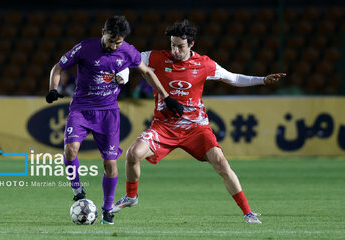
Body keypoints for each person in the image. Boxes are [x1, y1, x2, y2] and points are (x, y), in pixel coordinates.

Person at [112, 20, 286, 224]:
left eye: (180, 46)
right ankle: (132, 197)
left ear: (191, 44)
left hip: (196, 128)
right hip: (164, 127)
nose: (175, 50)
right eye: (172, 45)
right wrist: (121, 75)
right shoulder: (155, 57)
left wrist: (262, 80)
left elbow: (233, 78)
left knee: (221, 163)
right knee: (132, 154)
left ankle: (248, 212)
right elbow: (127, 59)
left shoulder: (205, 63)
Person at [45, 16, 183, 225]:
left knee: (110, 163)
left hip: (108, 113)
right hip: (81, 109)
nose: (114, 45)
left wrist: (167, 96)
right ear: (103, 32)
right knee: (70, 150)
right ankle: (77, 189)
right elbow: (58, 67)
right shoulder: (85, 48)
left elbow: (146, 73)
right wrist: (53, 89)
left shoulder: (128, 51)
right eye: (111, 40)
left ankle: (107, 209)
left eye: (118, 42)